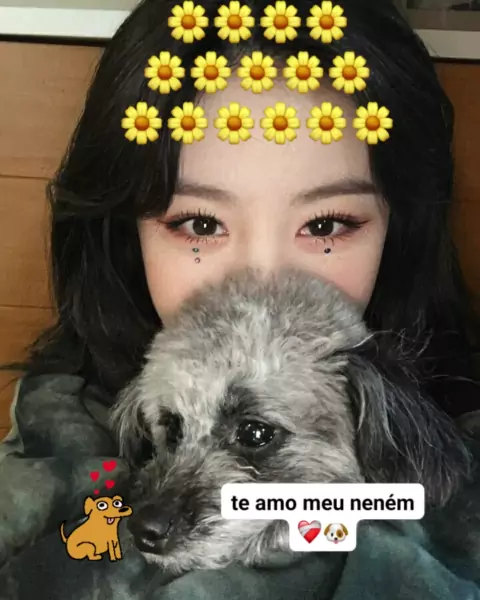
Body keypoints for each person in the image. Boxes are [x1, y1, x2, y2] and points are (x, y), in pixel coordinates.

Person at [0, 0, 479, 598]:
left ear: (398, 230)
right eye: (201, 224)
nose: (261, 279)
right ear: (125, 234)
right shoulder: (44, 460)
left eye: (326, 225)